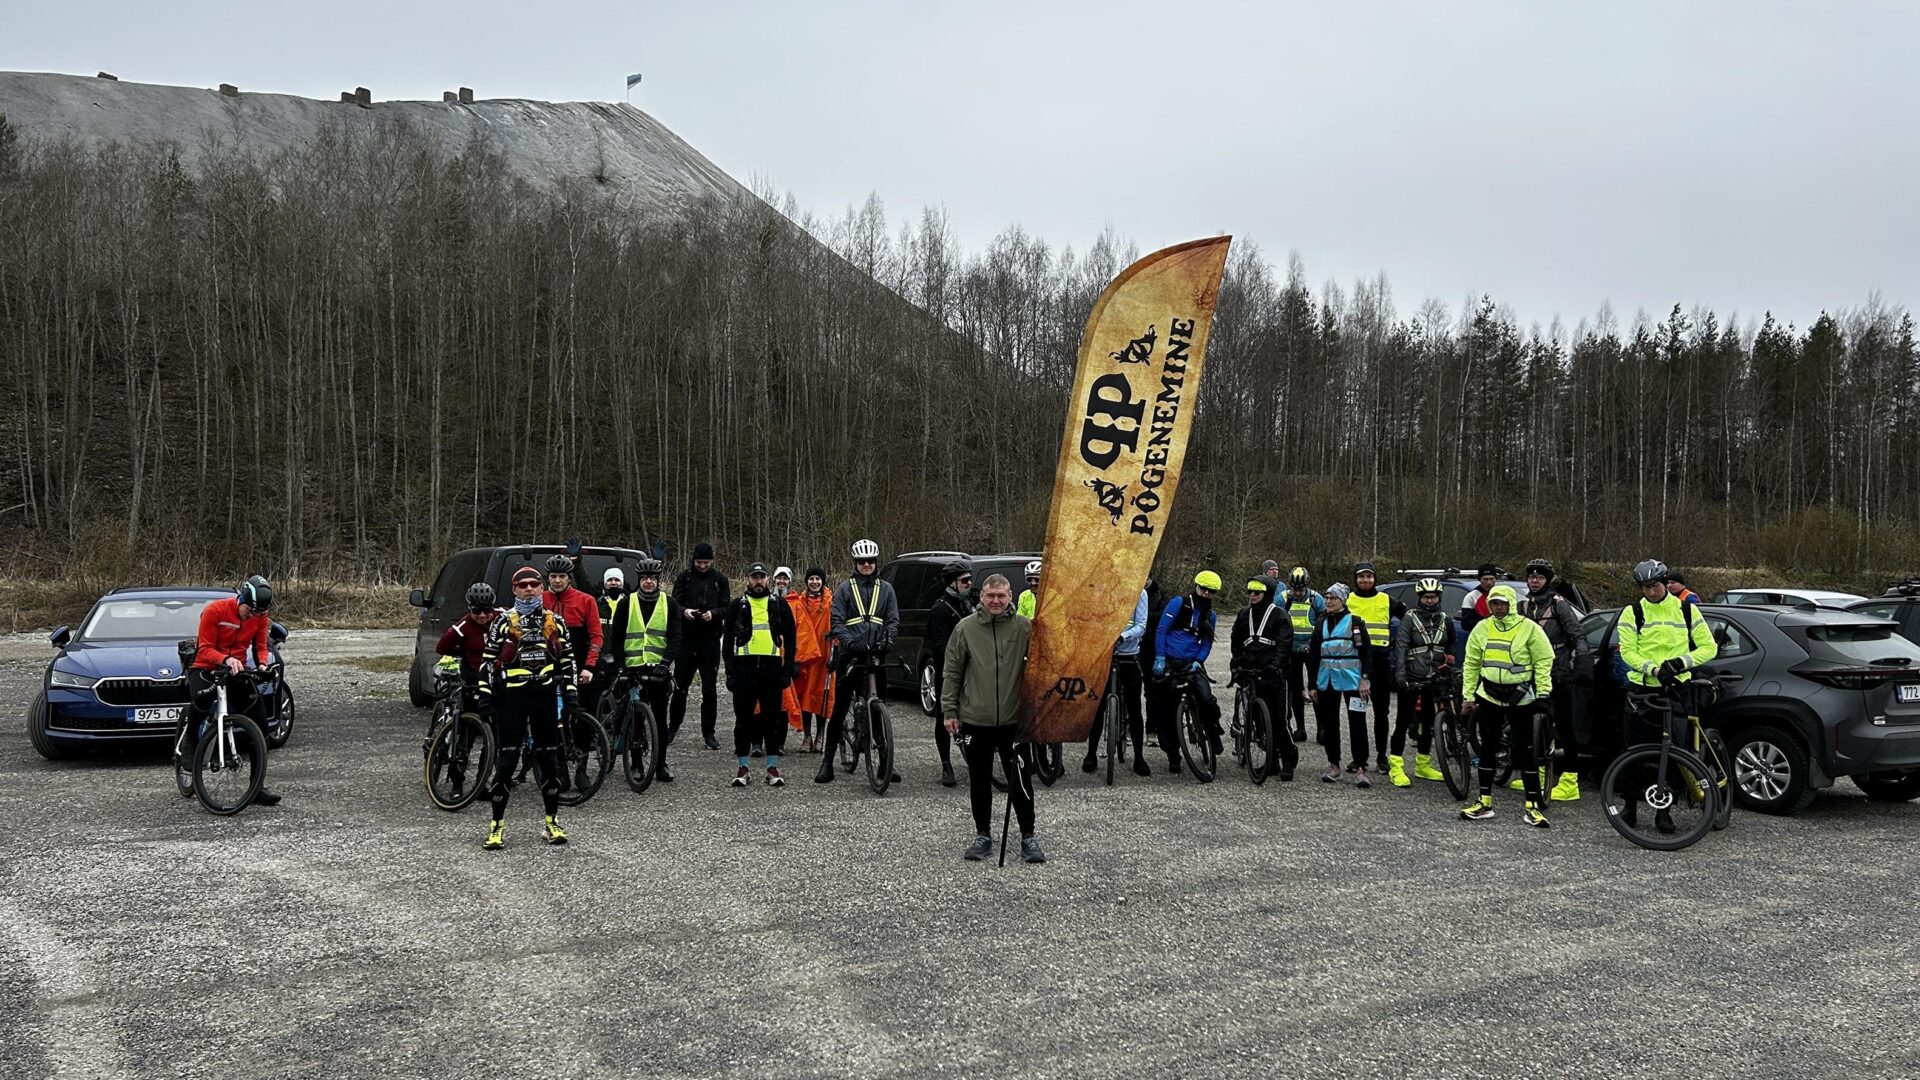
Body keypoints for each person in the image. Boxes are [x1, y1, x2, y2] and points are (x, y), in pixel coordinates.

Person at [942, 574, 1044, 863]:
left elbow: (1040, 669)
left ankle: (1028, 835)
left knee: (1021, 780)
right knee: (979, 779)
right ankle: (983, 833)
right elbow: (952, 672)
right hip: (976, 719)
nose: (996, 601)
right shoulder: (965, 629)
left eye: (1001, 595)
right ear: (981, 597)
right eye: (990, 596)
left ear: (1011, 596)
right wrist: (949, 711)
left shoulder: (1024, 628)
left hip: (1013, 721)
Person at [479, 566, 578, 849]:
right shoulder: (501, 622)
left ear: (542, 587)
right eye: (523, 585)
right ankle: (496, 826)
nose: (529, 589)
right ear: (514, 589)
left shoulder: (555, 621)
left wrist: (570, 695)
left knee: (549, 761)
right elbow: (487, 662)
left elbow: (568, 661)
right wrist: (485, 696)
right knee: (507, 762)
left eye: (535, 584)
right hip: (512, 698)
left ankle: (551, 822)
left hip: (545, 696)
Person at [1617, 559, 1718, 831]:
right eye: (1646, 587)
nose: (1651, 591)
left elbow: (1709, 648)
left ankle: (1664, 812)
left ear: (1665, 583)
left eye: (1656, 585)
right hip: (1643, 687)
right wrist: (1651, 668)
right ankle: (1630, 806)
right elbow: (1627, 651)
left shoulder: (1687, 610)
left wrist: (1680, 663)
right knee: (1634, 749)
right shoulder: (1633, 612)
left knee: (1673, 750)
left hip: (1676, 687)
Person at [1458, 584, 1557, 827]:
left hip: (1520, 696)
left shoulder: (1529, 628)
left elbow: (1544, 660)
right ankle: (1484, 802)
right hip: (1489, 695)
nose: (1499, 608)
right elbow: (1471, 663)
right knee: (1487, 749)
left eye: (1502, 603)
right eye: (1494, 603)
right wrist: (1468, 696)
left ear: (1511, 603)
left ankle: (1532, 806)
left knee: (1525, 750)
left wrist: (1543, 693)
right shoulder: (1482, 628)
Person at [184, 576, 282, 806]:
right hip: (206, 666)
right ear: (242, 599)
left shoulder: (259, 615)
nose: (253, 617)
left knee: (259, 722)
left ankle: (257, 786)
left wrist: (262, 665)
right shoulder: (215, 611)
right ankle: (190, 740)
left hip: (236, 669)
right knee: (203, 699)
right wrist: (226, 659)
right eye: (250, 611)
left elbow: (260, 644)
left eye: (258, 614)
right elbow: (205, 648)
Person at [817, 539, 901, 784]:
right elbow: (837, 622)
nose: (867, 565)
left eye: (871, 561)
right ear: (855, 563)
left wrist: (888, 640)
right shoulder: (844, 589)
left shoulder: (886, 589)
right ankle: (827, 763)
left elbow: (893, 619)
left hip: (876, 653)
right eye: (862, 561)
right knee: (840, 707)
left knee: (879, 708)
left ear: (876, 562)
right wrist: (849, 642)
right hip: (851, 655)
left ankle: (885, 762)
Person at [602, 558, 683, 782]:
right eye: (645, 578)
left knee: (659, 718)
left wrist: (666, 664)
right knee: (635, 718)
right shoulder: (627, 603)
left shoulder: (670, 604)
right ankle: (636, 762)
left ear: (658, 581)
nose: (648, 582)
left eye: (653, 578)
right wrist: (621, 665)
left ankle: (661, 764)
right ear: (639, 580)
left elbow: (675, 637)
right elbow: (617, 638)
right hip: (632, 668)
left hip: (658, 670)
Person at [721, 563, 800, 787]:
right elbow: (726, 641)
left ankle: (772, 767)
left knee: (772, 719)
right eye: (754, 577)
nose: (758, 581)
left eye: (762, 577)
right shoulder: (737, 605)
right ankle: (743, 767)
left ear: (768, 580)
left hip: (771, 668)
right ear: (747, 579)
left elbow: (792, 639)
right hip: (744, 667)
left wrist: (788, 669)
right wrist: (730, 671)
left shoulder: (778, 605)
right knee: (743, 720)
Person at [1519, 558, 1590, 801]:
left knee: (1565, 725)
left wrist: (1582, 663)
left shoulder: (1560, 605)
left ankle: (1570, 781)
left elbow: (1578, 635)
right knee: (1534, 726)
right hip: (1532, 672)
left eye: (1539, 577)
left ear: (1548, 580)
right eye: (1531, 577)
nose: (1534, 581)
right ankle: (1538, 775)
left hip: (1558, 671)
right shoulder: (1524, 606)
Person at [1151, 570, 1223, 772]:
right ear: (1197, 587)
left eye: (1211, 591)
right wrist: (1160, 657)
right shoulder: (1178, 603)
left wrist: (1199, 661)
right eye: (1204, 589)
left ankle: (1213, 731)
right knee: (1166, 710)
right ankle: (1173, 754)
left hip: (1192, 663)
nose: (1207, 594)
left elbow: (1207, 643)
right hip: (1170, 662)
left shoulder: (1211, 615)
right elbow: (1161, 630)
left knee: (1206, 699)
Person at [1228, 575, 1298, 781]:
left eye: (1257, 592)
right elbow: (1236, 640)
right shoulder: (1243, 615)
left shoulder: (1280, 615)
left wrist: (1275, 666)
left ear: (1266, 594)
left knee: (1278, 719)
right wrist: (1237, 663)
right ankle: (1271, 759)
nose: (1252, 596)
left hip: (1274, 674)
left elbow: (1285, 644)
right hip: (1251, 673)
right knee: (1258, 720)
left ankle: (1288, 758)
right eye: (1250, 592)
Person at [1389, 578, 1455, 787]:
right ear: (1420, 598)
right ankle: (1396, 766)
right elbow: (1401, 646)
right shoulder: (1410, 618)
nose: (1429, 600)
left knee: (1428, 723)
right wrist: (1400, 674)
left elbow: (1451, 644)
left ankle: (1423, 765)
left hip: (1435, 678)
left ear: (1439, 597)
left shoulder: (1446, 620)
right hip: (1412, 677)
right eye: (1426, 597)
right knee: (1403, 721)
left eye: (1433, 597)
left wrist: (1449, 660)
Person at [1308, 583, 1375, 786]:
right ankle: (1333, 765)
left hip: (1353, 681)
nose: (1328, 601)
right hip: (1326, 681)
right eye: (1327, 597)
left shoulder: (1355, 622)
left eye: (1333, 598)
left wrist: (1365, 678)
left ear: (1342, 600)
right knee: (1329, 724)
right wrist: (1311, 684)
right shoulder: (1320, 622)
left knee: (1357, 724)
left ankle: (1361, 767)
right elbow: (1313, 655)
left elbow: (1366, 652)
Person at [1083, 583, 1151, 777]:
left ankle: (1139, 757)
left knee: (1135, 707)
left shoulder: (1139, 592)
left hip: (1129, 655)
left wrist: (1122, 636)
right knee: (1098, 707)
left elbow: (1141, 625)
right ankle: (1091, 754)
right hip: (1104, 656)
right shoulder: (1101, 590)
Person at [1346, 561, 1406, 775]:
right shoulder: (1348, 600)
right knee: (1356, 713)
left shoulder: (1386, 600)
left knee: (1382, 713)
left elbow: (1408, 621)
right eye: (1361, 577)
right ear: (1355, 579)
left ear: (1374, 579)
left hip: (1380, 663)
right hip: (1356, 662)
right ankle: (1359, 758)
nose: (1365, 580)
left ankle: (1382, 755)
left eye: (1369, 577)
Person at [671, 543, 731, 751]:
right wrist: (685, 612)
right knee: (680, 688)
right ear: (693, 561)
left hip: (710, 641)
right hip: (686, 641)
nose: (703, 566)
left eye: (706, 562)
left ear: (712, 561)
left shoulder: (720, 580)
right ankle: (673, 726)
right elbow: (673, 604)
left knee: (709, 690)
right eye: (699, 562)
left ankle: (709, 733)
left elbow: (727, 607)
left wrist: (713, 614)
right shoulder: (684, 577)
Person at [925, 561, 976, 786]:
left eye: (970, 579)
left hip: (974, 671)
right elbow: (940, 646)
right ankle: (946, 764)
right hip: (949, 671)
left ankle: (975, 758)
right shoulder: (940, 609)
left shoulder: (972, 603)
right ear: (953, 583)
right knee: (944, 715)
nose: (969, 584)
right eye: (965, 581)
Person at [542, 555, 604, 714]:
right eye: (553, 576)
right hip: (548, 665)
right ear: (547, 578)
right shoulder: (540, 599)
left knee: (581, 714)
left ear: (569, 578)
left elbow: (596, 636)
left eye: (562, 576)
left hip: (579, 664)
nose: (557, 581)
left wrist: (589, 667)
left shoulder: (586, 600)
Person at [790, 568, 834, 753]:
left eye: (817, 579)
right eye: (811, 579)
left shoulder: (832, 602)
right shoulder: (799, 602)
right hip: (806, 657)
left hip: (824, 656)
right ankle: (807, 736)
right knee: (806, 696)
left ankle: (820, 736)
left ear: (822, 581)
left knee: (822, 696)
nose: (814, 582)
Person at [1280, 567, 1324, 743]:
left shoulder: (1316, 599)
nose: (1297, 593)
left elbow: (1323, 622)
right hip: (1291, 650)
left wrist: (1315, 643)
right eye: (1294, 589)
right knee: (1295, 690)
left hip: (1311, 650)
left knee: (1316, 688)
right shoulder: (1283, 598)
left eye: (1300, 589)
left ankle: (1322, 729)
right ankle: (1300, 728)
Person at [1460, 564, 1500, 636]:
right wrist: (1487, 621)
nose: (1489, 582)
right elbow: (1466, 624)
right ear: (1479, 580)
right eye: (1485, 579)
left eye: (1491, 579)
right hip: (1480, 637)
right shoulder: (1471, 597)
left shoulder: (1502, 594)